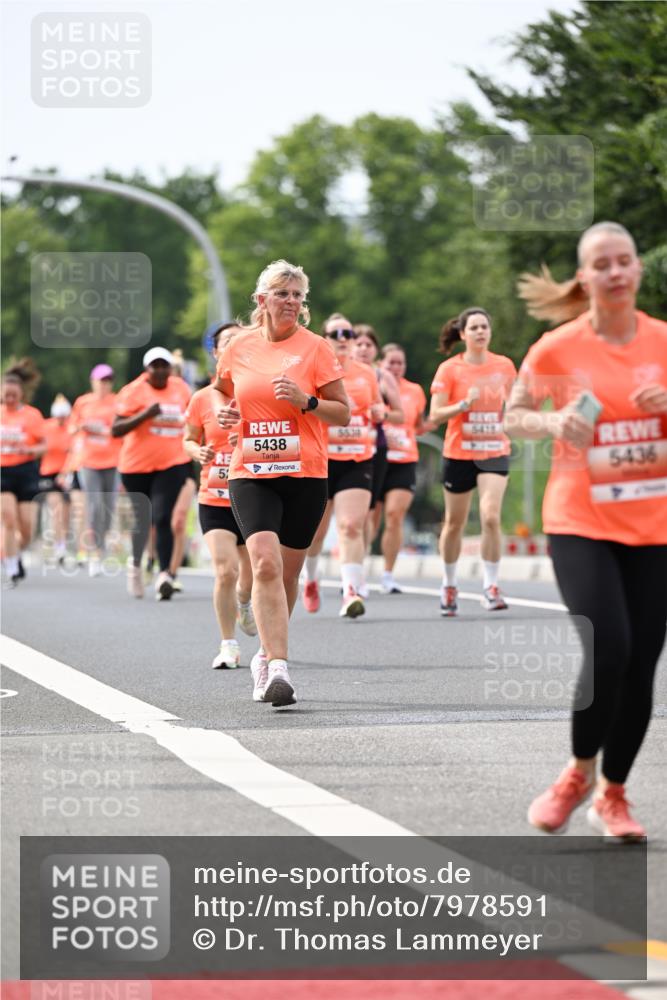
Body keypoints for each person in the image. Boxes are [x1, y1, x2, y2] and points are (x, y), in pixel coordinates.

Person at [505, 221, 667, 841]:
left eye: (625, 260)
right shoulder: (558, 348)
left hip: (653, 524)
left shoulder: (661, 340)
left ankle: (614, 795)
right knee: (611, 646)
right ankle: (577, 775)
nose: (617, 272)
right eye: (603, 264)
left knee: (644, 662)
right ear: (585, 277)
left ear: (638, 269)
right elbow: (514, 416)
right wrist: (553, 426)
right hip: (581, 520)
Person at [213, 260, 350, 706]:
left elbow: (343, 411)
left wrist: (307, 401)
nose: (291, 301)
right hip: (250, 471)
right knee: (266, 565)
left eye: (297, 295)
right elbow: (221, 389)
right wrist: (226, 412)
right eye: (282, 293)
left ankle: (263, 654)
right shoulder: (239, 348)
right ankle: (278, 668)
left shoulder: (316, 348)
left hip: (306, 473)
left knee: (287, 574)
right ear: (262, 300)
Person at [429, 308, 517, 616]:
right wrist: (463, 405)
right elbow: (435, 415)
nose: (480, 332)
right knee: (455, 524)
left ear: (489, 332)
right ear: (463, 334)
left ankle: (491, 586)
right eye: (474, 328)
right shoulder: (450, 369)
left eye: (485, 327)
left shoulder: (504, 365)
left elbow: (516, 404)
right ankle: (449, 584)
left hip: (494, 450)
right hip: (459, 454)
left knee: (491, 516)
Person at [184, 322, 256, 669]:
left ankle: (244, 602)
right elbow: (188, 437)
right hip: (214, 495)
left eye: (240, 340)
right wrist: (195, 452)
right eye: (227, 341)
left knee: (252, 572)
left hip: (253, 493)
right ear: (215, 352)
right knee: (225, 570)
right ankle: (228, 644)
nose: (233, 346)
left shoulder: (256, 389)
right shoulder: (201, 398)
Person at [303, 315, 384, 618]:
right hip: (322, 460)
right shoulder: (314, 372)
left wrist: (379, 411)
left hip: (357, 459)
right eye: (335, 332)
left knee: (352, 526)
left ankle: (351, 590)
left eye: (348, 332)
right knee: (315, 534)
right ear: (324, 338)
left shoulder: (367, 373)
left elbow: (377, 408)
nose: (343, 337)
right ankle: (311, 579)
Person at [112, 347, 192, 600]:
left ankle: (165, 575)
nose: (159, 371)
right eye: (154, 366)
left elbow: (193, 419)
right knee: (144, 522)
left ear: (170, 368)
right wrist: (145, 414)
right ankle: (135, 566)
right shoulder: (133, 391)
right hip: (135, 467)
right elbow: (116, 429)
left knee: (162, 516)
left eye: (164, 366)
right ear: (146, 369)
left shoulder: (181, 389)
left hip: (171, 463)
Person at [351, 324, 404, 590]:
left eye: (368, 345)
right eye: (358, 343)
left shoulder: (382, 376)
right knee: (347, 518)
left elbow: (400, 415)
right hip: (340, 449)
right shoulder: (339, 372)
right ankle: (349, 571)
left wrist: (381, 412)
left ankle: (358, 574)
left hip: (374, 448)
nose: (362, 349)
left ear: (375, 350)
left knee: (368, 514)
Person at [377, 344, 430, 594]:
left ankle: (388, 574)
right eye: (391, 363)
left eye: (400, 363)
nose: (396, 368)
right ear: (381, 364)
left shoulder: (416, 391)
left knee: (395, 516)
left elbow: (419, 424)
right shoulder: (372, 384)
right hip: (374, 459)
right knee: (367, 520)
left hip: (404, 459)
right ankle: (356, 574)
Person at [70, 364, 122, 577]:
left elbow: (120, 429)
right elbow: (72, 428)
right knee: (94, 506)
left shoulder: (118, 402)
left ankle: (101, 544)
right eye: (101, 380)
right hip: (89, 462)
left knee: (108, 507)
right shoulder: (83, 403)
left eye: (108, 380)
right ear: (93, 382)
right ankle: (94, 553)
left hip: (112, 461)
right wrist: (82, 427)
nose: (104, 384)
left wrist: (102, 430)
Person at [0, 360, 45, 586]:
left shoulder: (32, 415)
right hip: (2, 472)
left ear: (21, 394)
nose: (9, 399)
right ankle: (10, 568)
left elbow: (44, 446)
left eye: (13, 395)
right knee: (8, 519)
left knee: (27, 529)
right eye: (5, 395)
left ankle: (14, 553)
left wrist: (30, 449)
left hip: (26, 472)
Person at [38, 395, 73, 566]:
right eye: (58, 416)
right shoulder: (45, 427)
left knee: (66, 514)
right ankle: (58, 547)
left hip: (67, 473)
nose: (61, 420)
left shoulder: (71, 428)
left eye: (63, 416)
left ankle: (62, 545)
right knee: (57, 510)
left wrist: (66, 472)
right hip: (48, 474)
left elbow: (75, 451)